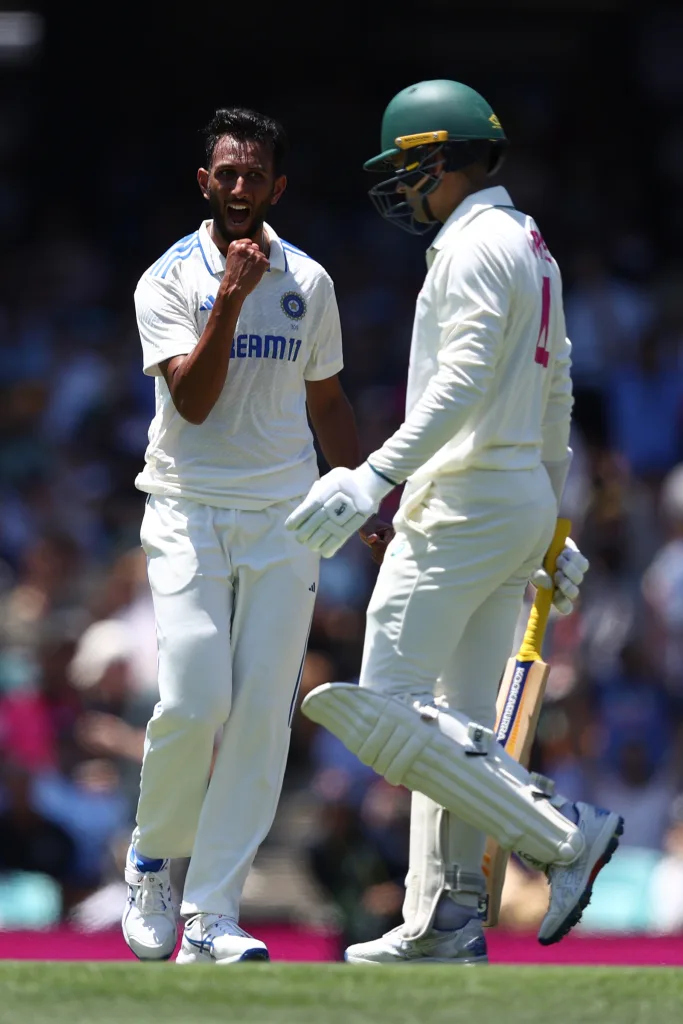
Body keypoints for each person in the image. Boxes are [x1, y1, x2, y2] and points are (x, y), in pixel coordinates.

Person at [286, 79, 623, 965]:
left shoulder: (473, 244)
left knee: (387, 708)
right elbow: (557, 395)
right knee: (452, 724)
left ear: (438, 157)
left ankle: (560, 835)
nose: (399, 183)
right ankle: (445, 915)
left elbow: (461, 381)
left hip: (461, 501)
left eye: (405, 165)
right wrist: (553, 526)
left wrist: (373, 476)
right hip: (513, 500)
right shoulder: (532, 248)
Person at [121, 106, 389, 965]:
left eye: (254, 176)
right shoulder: (165, 280)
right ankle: (154, 860)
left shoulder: (309, 281)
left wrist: (363, 498)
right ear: (205, 184)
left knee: (262, 720)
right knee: (196, 702)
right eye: (224, 174)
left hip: (285, 518)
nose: (239, 189)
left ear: (277, 187)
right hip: (187, 511)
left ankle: (212, 913)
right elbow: (193, 401)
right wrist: (230, 295)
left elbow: (327, 402)